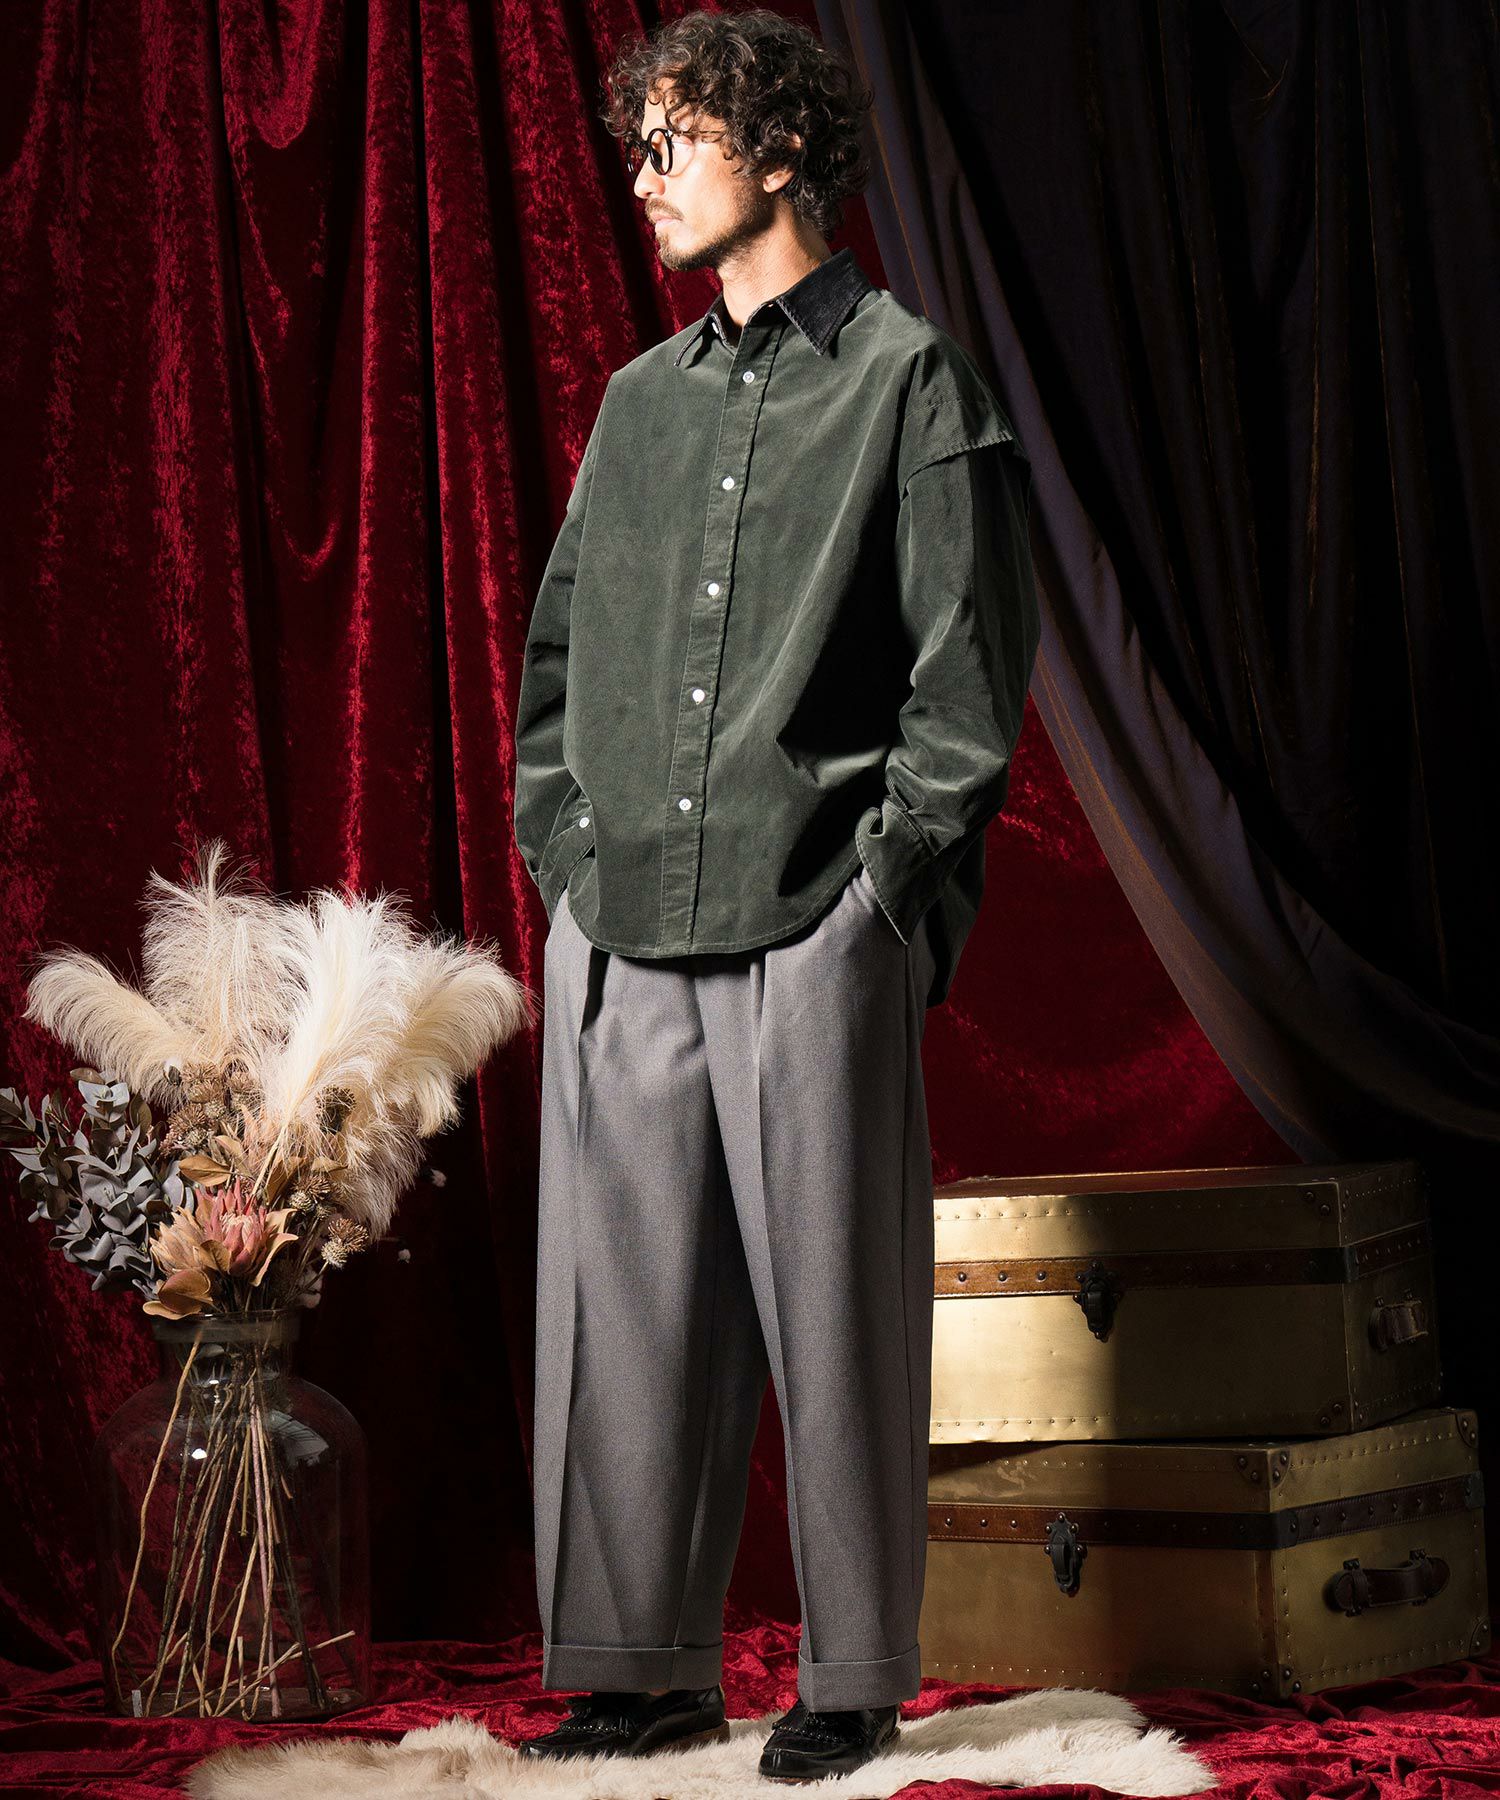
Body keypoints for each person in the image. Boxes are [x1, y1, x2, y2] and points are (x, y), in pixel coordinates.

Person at [511, 7, 1040, 1783]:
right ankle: (640, 1669)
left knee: (842, 1310)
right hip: (625, 919)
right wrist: (567, 860)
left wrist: (877, 895)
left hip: (817, 916)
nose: (644, 178)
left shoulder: (910, 379)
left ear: (785, 146)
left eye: (677, 141)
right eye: (639, 146)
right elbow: (555, 665)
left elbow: (968, 681)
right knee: (622, 1318)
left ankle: (852, 1674)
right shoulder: (635, 404)